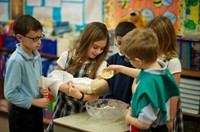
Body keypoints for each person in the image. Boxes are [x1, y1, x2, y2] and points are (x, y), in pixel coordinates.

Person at [107, 28, 180, 131]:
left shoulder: (147, 87)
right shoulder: (161, 69)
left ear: (137, 61)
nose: (127, 60)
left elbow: (144, 124)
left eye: (127, 58)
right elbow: (142, 74)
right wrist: (120, 69)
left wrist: (128, 118)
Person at [46, 22, 110, 132]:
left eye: (102, 48)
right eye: (95, 47)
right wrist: (62, 87)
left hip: (82, 118)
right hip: (61, 112)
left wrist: (79, 95)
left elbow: (96, 96)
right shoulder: (67, 56)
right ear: (86, 40)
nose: (98, 51)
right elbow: (54, 79)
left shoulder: (101, 65)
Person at [4, 15, 49, 132]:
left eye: (41, 37)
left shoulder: (36, 54)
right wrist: (35, 101)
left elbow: (34, 80)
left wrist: (41, 89)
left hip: (35, 110)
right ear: (20, 37)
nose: (39, 42)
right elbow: (10, 94)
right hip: (21, 114)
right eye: (35, 38)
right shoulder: (16, 61)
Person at [146, 16, 183, 132]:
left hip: (166, 110)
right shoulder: (151, 57)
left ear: (164, 38)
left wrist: (170, 119)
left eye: (153, 38)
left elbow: (173, 93)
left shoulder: (173, 62)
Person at [103, 21, 136, 104]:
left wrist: (130, 104)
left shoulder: (138, 62)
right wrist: (109, 99)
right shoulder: (111, 60)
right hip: (113, 107)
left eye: (126, 43)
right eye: (119, 43)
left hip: (131, 107)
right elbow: (104, 84)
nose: (122, 47)